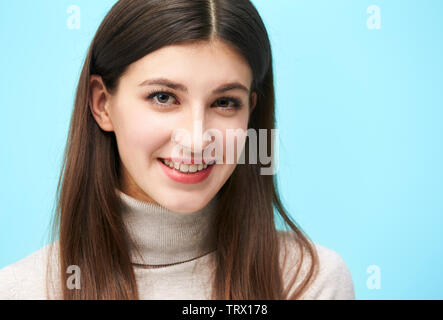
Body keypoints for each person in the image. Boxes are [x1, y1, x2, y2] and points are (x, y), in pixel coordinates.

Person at [0, 0, 354, 300]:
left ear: (251, 113)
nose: (197, 139)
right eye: (164, 97)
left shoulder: (310, 283)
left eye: (225, 102)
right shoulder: (22, 290)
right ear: (103, 104)